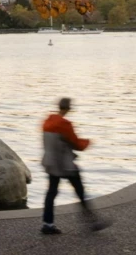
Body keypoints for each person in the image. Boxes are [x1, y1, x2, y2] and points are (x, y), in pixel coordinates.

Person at [41, 97, 108, 235]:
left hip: (51, 162)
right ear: (69, 109)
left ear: (58, 107)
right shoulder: (65, 124)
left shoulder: (46, 122)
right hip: (65, 165)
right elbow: (76, 144)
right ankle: (92, 222)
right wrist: (88, 142)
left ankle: (48, 224)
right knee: (80, 191)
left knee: (51, 193)